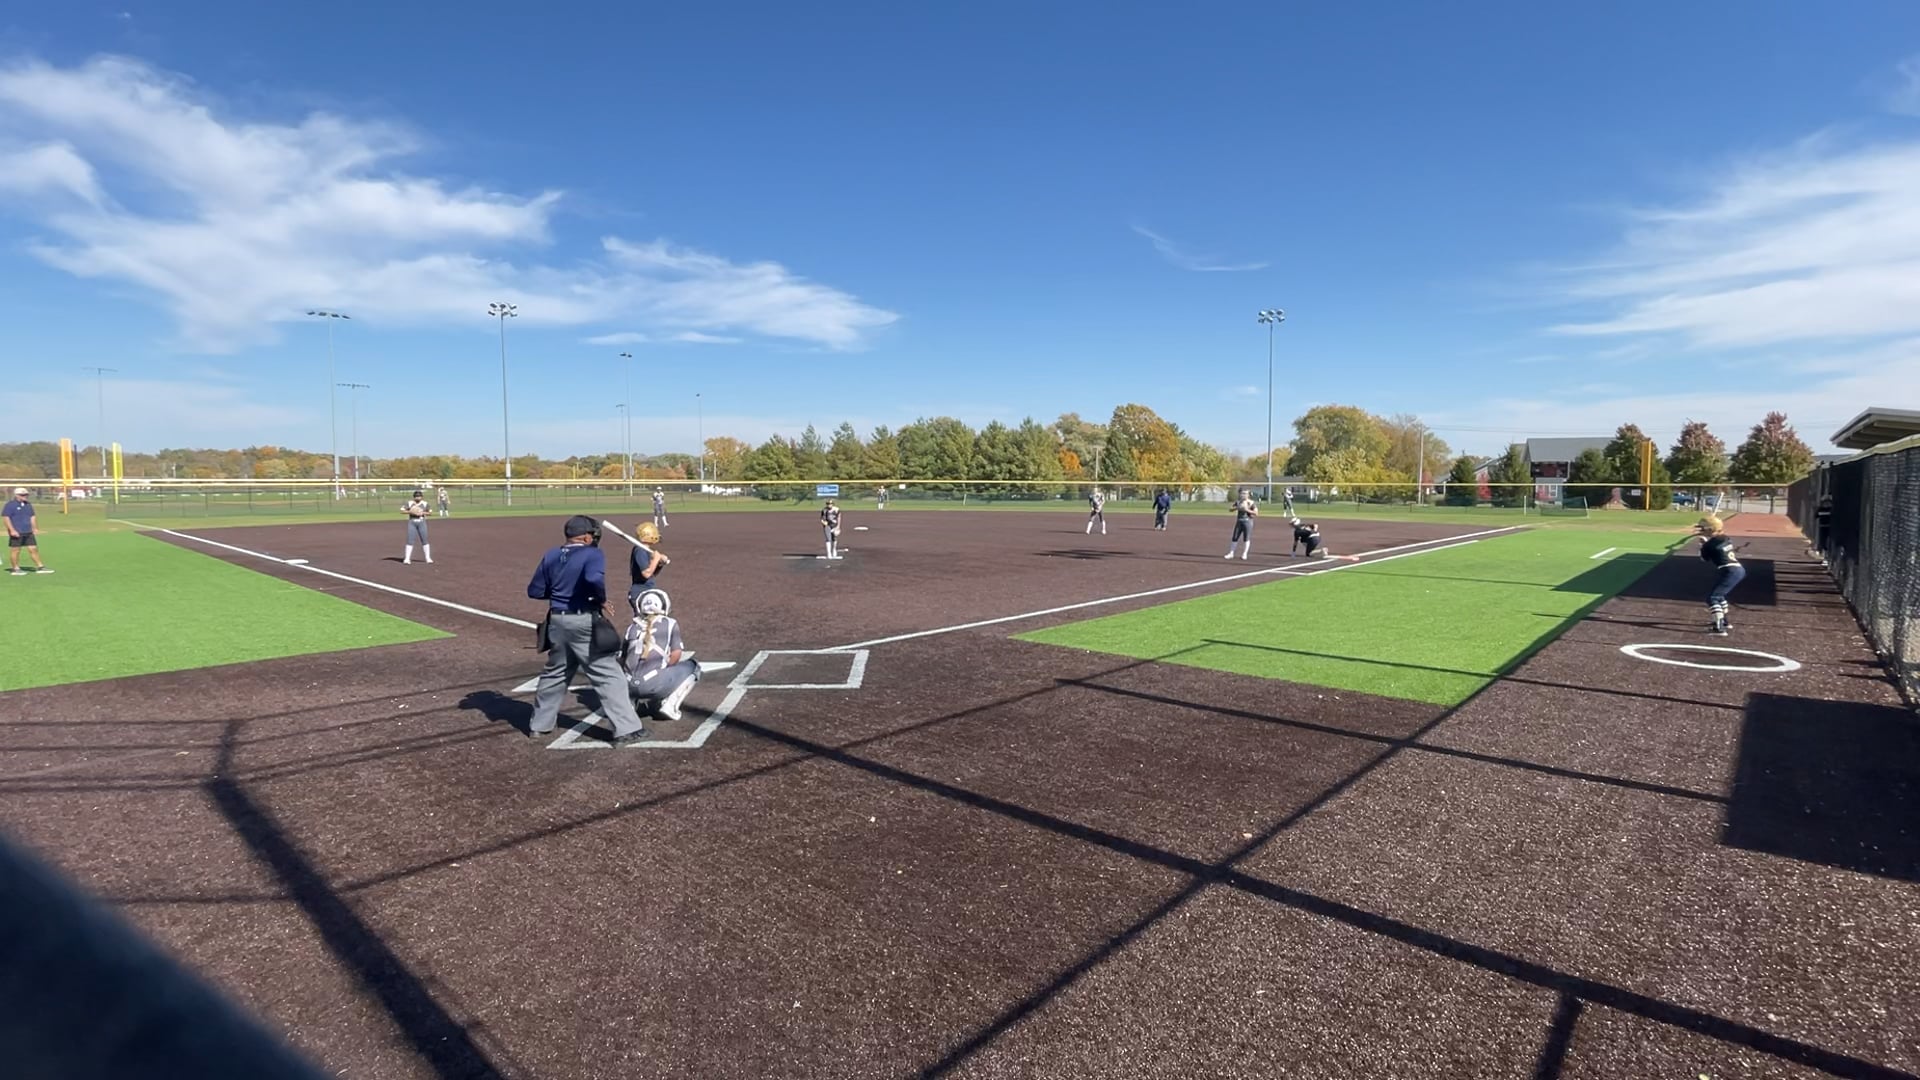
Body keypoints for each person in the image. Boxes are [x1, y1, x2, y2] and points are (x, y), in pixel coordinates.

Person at [525, 516, 648, 742]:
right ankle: (627, 729)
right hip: (583, 620)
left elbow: (535, 590)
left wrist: (561, 593)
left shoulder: (551, 554)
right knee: (608, 673)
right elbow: (593, 579)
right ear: (585, 537)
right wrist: (599, 599)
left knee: (556, 673)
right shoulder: (592, 554)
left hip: (557, 621)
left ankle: (539, 726)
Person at [624, 589, 700, 721]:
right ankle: (670, 706)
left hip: (628, 686)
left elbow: (622, 658)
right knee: (693, 666)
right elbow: (676, 654)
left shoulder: (632, 627)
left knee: (629, 672)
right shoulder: (670, 623)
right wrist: (665, 670)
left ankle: (629, 703)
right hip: (654, 684)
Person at [1694, 515, 1746, 636]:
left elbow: (1704, 559)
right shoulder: (1725, 538)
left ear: (1710, 529)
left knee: (1712, 598)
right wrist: (1707, 543)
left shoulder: (1709, 545)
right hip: (1738, 570)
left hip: (1730, 571)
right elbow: (1717, 544)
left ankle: (1719, 628)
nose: (1701, 530)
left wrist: (1703, 545)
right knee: (1719, 596)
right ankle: (1724, 622)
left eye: (1703, 528)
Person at [4, 487, 51, 575]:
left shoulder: (28, 505)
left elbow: (32, 516)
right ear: (17, 495)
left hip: (28, 531)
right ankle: (15, 568)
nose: (25, 496)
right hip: (17, 532)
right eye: (22, 495)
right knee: (16, 550)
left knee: (33, 549)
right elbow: (6, 518)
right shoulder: (10, 505)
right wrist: (12, 530)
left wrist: (34, 528)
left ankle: (40, 567)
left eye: (26, 495)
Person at [628, 521, 670, 610]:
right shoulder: (640, 550)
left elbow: (652, 574)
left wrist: (660, 564)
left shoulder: (645, 551)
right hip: (641, 592)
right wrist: (656, 559)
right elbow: (646, 573)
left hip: (648, 590)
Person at [402, 490, 432, 564]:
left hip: (422, 523)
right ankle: (407, 558)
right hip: (412, 522)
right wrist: (411, 512)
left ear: (422, 497)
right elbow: (402, 510)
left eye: (419, 496)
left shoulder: (425, 503)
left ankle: (428, 558)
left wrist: (422, 512)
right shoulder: (410, 503)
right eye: (416, 496)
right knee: (410, 540)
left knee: (424, 540)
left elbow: (430, 512)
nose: (417, 498)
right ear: (414, 497)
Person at [1224, 489, 1256, 559]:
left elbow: (1256, 513)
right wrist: (1237, 508)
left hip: (1247, 522)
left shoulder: (1251, 503)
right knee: (1235, 537)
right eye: (1242, 493)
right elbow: (1230, 509)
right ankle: (1231, 553)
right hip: (1239, 521)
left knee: (1246, 538)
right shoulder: (1238, 502)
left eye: (1245, 494)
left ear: (1248, 495)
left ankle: (1244, 554)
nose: (1243, 495)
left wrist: (1247, 510)